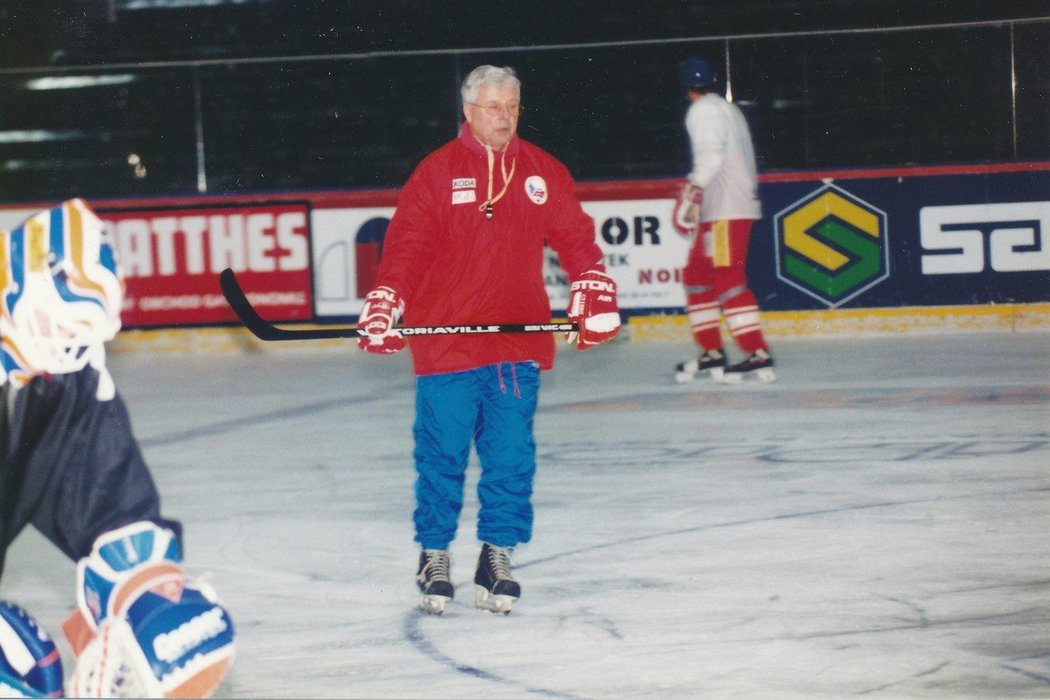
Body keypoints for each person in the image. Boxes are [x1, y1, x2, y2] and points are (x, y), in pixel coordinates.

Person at [356, 65, 621, 615]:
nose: (504, 117)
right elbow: (406, 247)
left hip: (514, 340)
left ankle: (497, 554)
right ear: (469, 112)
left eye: (512, 107)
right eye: (493, 108)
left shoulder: (542, 170)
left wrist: (592, 283)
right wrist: (387, 299)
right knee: (443, 454)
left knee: (511, 456)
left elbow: (574, 235)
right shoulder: (435, 172)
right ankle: (434, 553)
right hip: (448, 343)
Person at [0, 199, 235, 698]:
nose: (71, 345)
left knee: (35, 674)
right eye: (64, 325)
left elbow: (106, 497)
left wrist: (144, 584)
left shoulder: (67, 381)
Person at [671, 56, 776, 383]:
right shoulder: (728, 109)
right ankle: (712, 352)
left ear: (688, 88)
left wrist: (692, 190)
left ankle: (757, 353)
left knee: (727, 277)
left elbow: (711, 155)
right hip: (723, 208)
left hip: (725, 210)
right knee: (697, 276)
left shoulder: (703, 111)